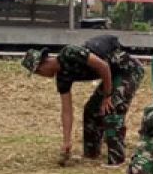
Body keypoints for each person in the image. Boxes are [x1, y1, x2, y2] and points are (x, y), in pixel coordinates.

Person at [21, 34, 144, 166]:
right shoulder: (62, 77)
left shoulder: (70, 53)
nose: (42, 76)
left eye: (39, 73)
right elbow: (67, 110)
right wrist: (66, 141)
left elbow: (103, 66)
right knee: (91, 110)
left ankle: (116, 160)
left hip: (128, 70)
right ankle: (91, 153)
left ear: (42, 65)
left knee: (111, 108)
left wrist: (107, 96)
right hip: (112, 75)